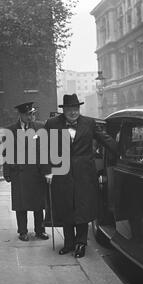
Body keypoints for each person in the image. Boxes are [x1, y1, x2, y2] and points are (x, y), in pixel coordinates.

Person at [45, 94, 117, 257]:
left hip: (84, 175)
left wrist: (120, 153)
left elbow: (105, 139)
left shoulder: (89, 123)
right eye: (70, 109)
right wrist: (47, 170)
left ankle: (81, 244)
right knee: (66, 208)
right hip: (61, 174)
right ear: (64, 110)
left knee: (82, 209)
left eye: (76, 109)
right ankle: (69, 243)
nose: (73, 112)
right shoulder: (52, 124)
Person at [3, 102, 50, 242]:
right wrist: (7, 171)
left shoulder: (40, 127)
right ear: (21, 115)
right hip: (19, 173)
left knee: (38, 204)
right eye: (28, 114)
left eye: (32, 114)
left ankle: (40, 230)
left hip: (36, 172)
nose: (31, 117)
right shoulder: (10, 130)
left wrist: (47, 171)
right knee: (21, 204)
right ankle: (22, 231)